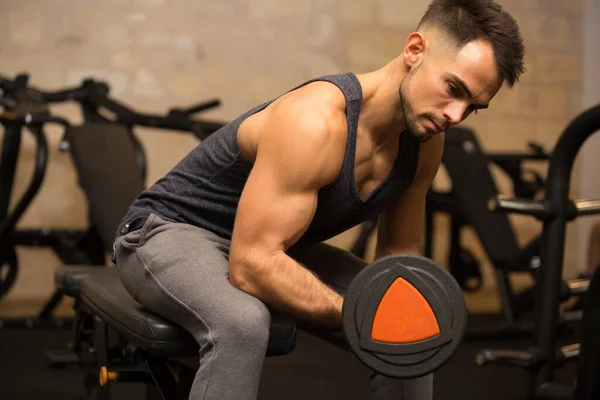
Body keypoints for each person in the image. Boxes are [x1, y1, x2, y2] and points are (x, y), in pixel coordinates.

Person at [112, 0, 525, 398]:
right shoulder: (314, 121)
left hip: (273, 246)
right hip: (167, 233)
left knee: (409, 325)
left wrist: (404, 314)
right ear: (415, 50)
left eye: (473, 107)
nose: (455, 114)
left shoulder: (424, 142)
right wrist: (359, 314)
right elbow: (251, 265)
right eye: (453, 88)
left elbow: (398, 253)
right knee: (243, 322)